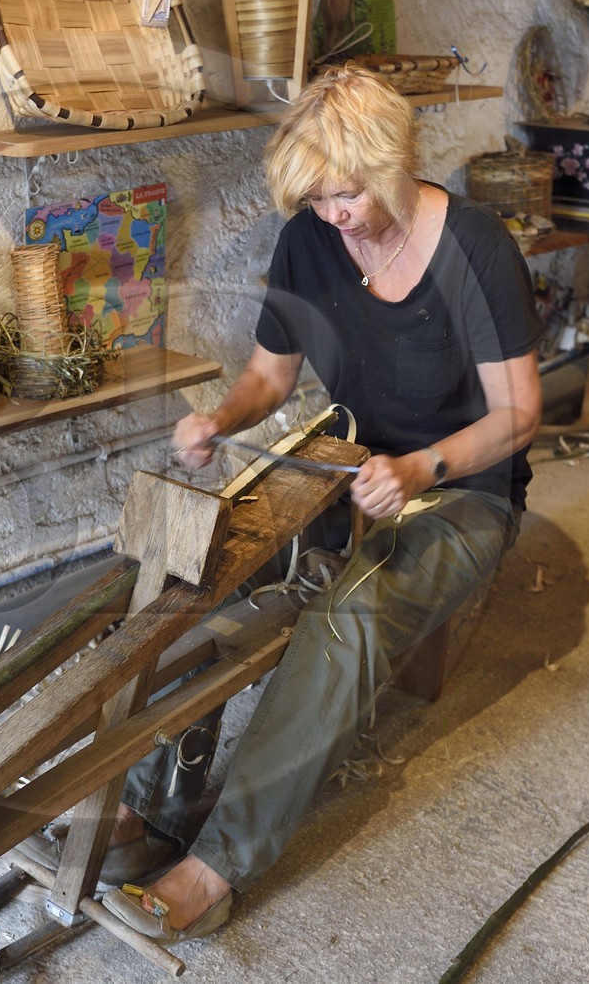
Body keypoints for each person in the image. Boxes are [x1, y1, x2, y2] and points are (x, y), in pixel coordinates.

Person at [98, 62, 545, 943]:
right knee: (207, 569)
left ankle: (217, 863)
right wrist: (220, 419)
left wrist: (421, 470)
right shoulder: (310, 237)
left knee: (349, 620)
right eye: (317, 201)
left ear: (391, 164)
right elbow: (271, 374)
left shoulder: (477, 248)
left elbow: (520, 417)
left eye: (347, 196)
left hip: (462, 488)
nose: (335, 217)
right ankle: (156, 805)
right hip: (347, 467)